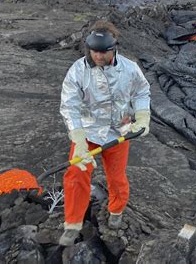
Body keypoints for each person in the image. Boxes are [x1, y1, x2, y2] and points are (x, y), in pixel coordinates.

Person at [58, 21, 151, 246]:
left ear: (113, 48)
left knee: (117, 177)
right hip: (88, 134)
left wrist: (142, 115)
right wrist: (78, 139)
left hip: (119, 132)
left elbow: (142, 91)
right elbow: (69, 105)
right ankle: (72, 224)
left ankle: (116, 211)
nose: (98, 56)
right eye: (94, 51)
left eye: (103, 51)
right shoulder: (77, 71)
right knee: (75, 174)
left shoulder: (129, 68)